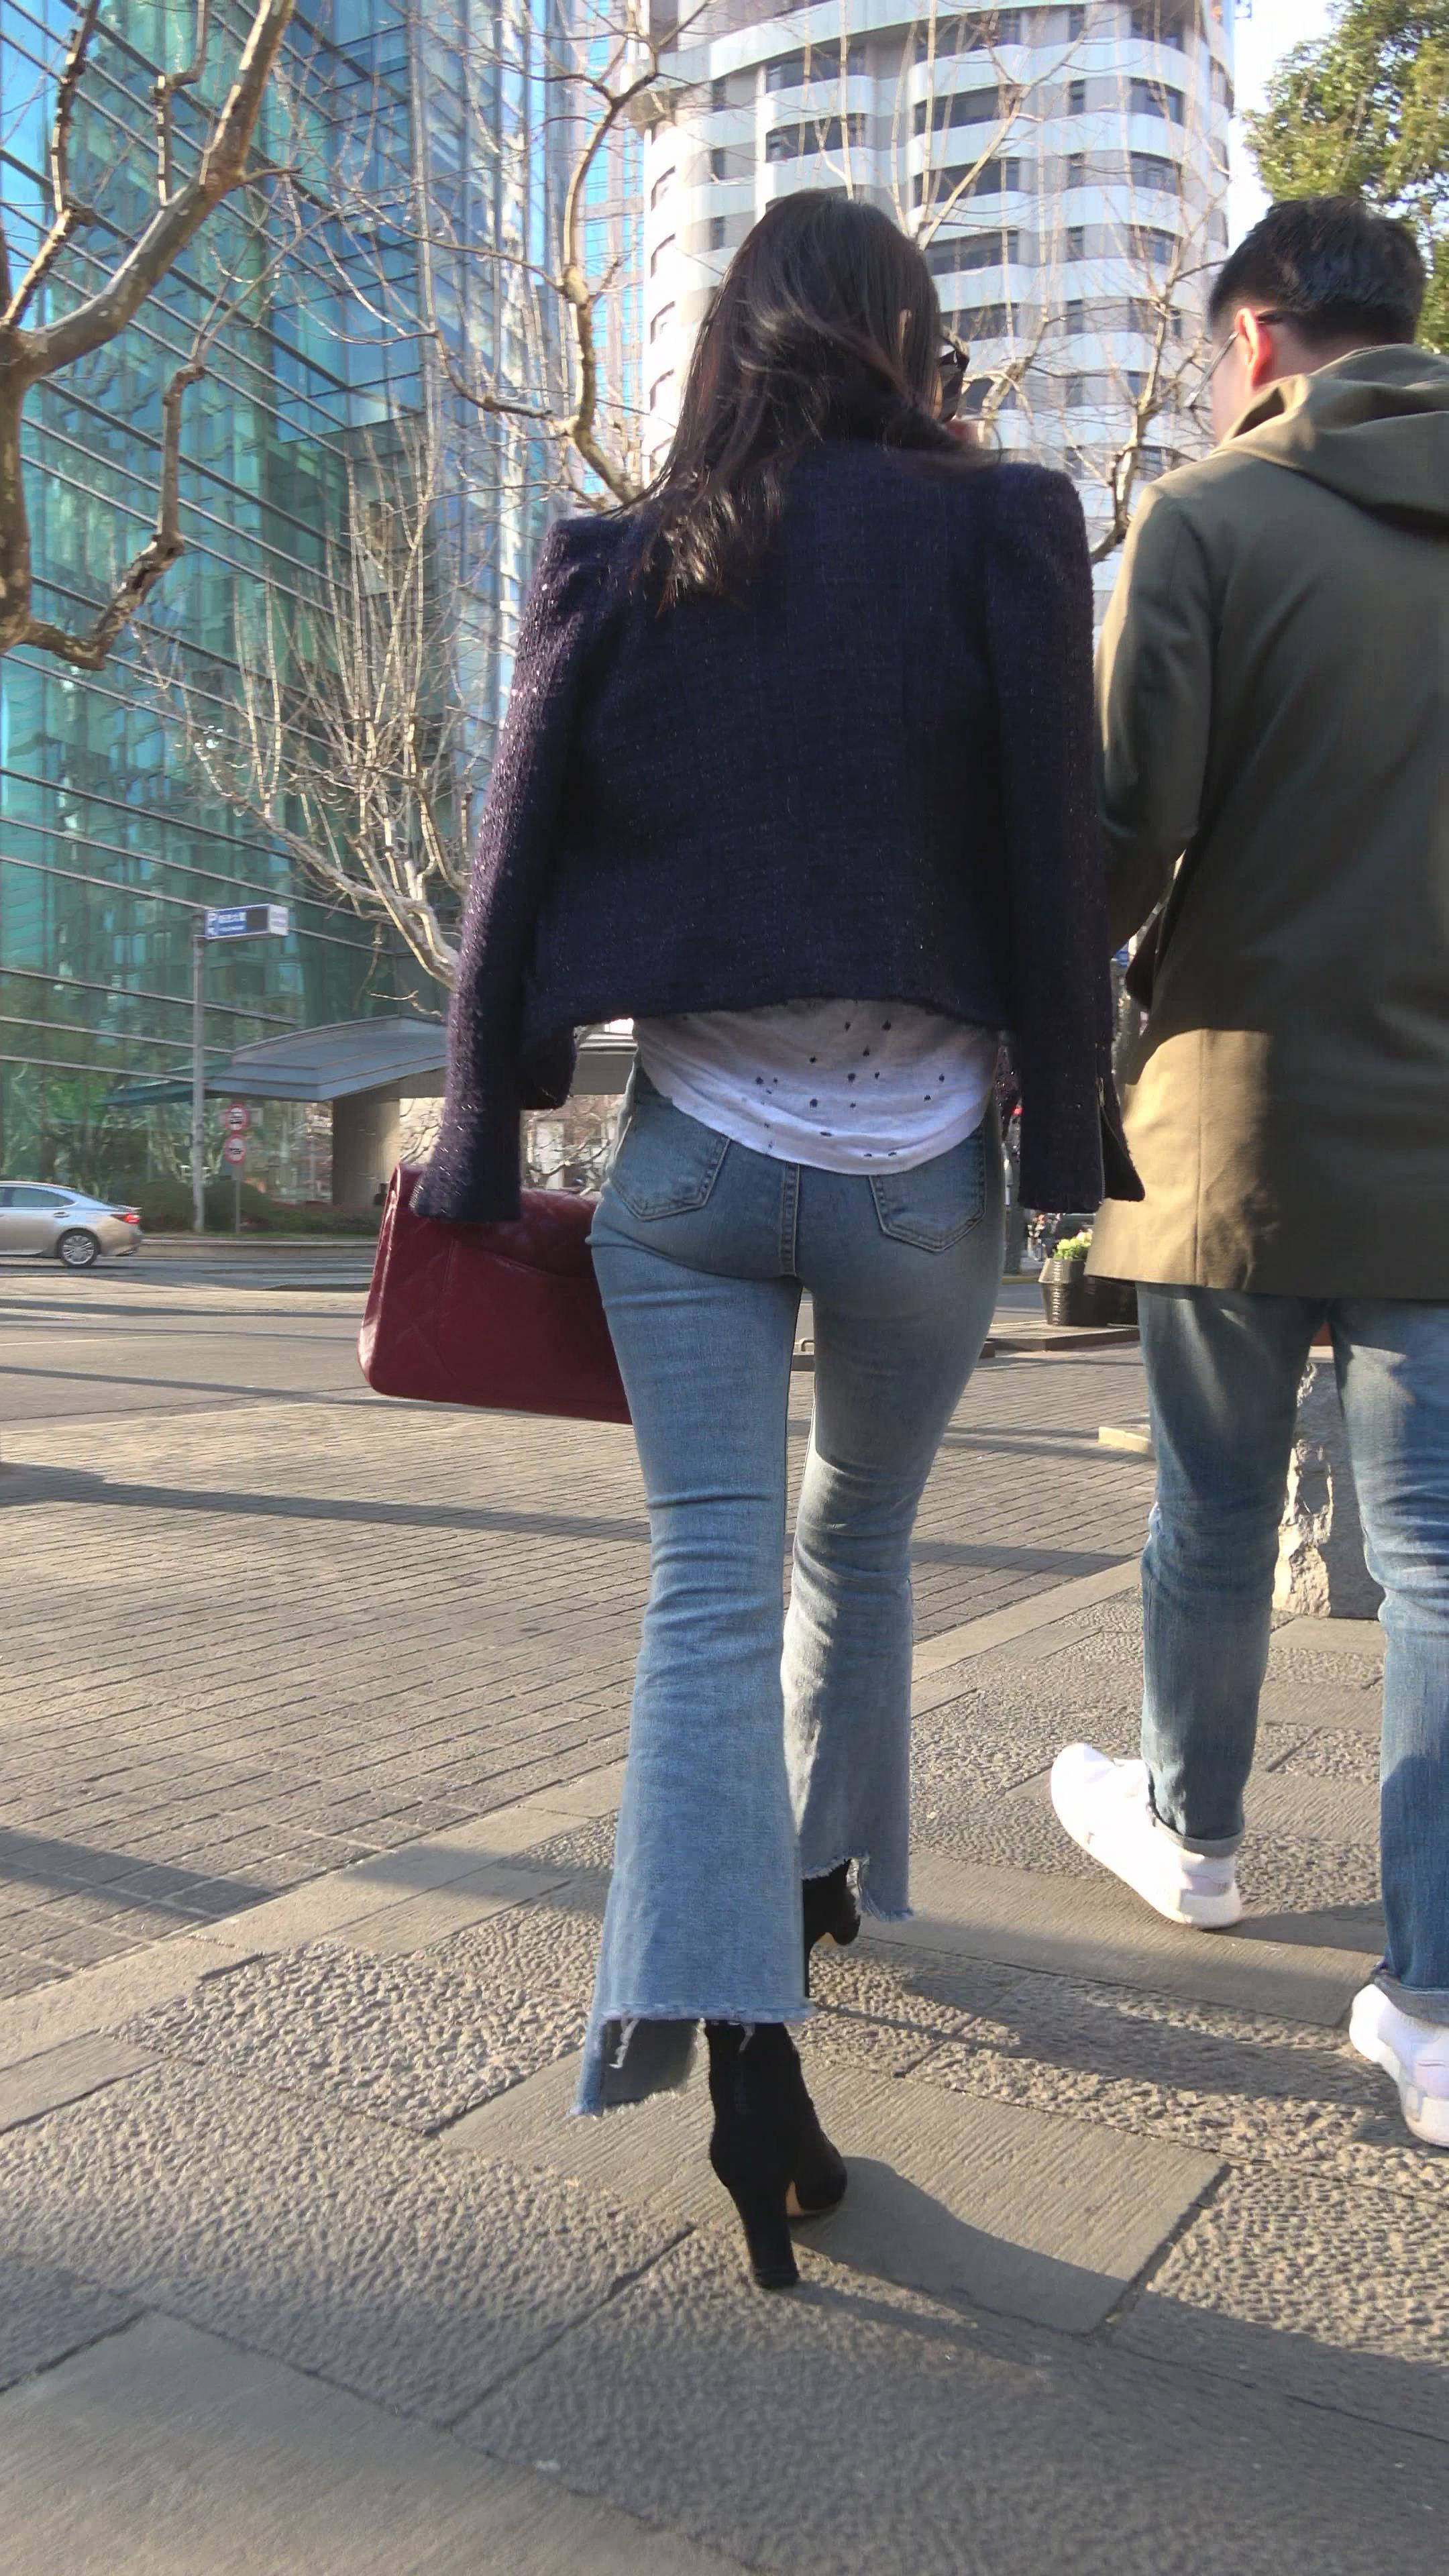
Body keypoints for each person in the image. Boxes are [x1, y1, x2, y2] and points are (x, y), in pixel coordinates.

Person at [418, 192, 1135, 2284]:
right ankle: (817, 1880)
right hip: (921, 1179)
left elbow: (512, 857)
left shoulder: (626, 557)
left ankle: (746, 2051)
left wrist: (482, 1122)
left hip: (692, 1178)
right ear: (908, 339)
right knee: (862, 1539)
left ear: (730, 344)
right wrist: (1067, 1132)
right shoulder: (1008, 529)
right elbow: (1057, 852)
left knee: (709, 1586)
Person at [1049, 199, 1449, 2147]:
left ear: (1264, 337)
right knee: (1440, 1562)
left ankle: (1194, 1836)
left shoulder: (1209, 520)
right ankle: (1435, 2004)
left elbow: (1127, 822)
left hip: (1231, 1119)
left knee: (1208, 1511)